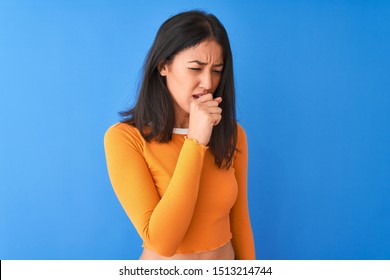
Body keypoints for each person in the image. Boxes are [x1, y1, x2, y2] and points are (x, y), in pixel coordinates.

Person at [104, 10, 255, 260]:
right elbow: (162, 242)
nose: (207, 82)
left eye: (217, 70)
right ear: (163, 66)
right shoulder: (125, 139)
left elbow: (240, 223)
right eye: (196, 68)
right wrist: (195, 142)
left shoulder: (232, 134)